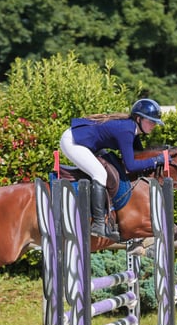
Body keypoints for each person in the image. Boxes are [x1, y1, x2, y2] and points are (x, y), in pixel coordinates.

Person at [59, 98, 168, 242]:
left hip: (86, 142)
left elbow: (139, 157)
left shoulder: (133, 130)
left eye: (155, 122)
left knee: (111, 167)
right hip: (72, 142)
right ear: (139, 119)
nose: (154, 125)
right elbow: (131, 166)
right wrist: (155, 161)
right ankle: (98, 224)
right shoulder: (127, 131)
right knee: (100, 174)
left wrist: (161, 156)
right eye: (151, 121)